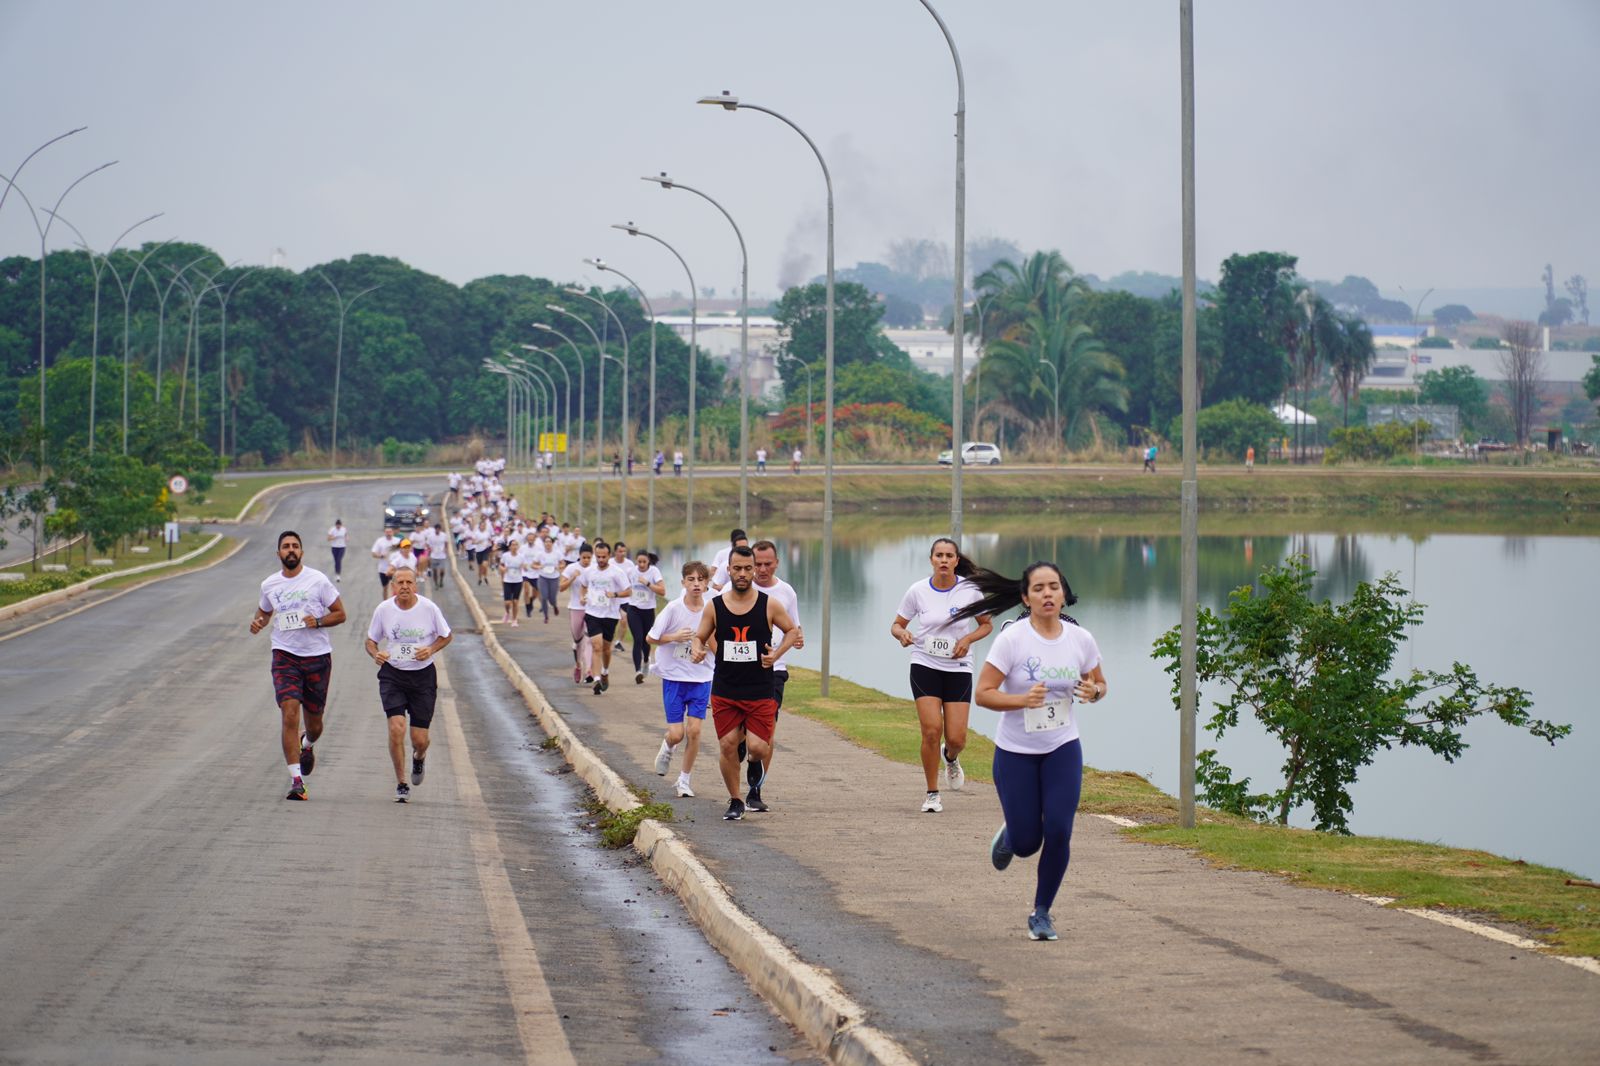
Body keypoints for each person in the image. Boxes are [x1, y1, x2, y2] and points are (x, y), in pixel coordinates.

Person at [957, 561, 1107, 942]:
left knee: (1058, 831)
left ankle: (1042, 913)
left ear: (1063, 593)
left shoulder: (1080, 639)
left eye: (1054, 586)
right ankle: (1012, 835)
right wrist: (1023, 699)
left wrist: (1094, 693)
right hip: (1015, 751)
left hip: (1062, 747)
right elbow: (984, 693)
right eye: (1038, 588)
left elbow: (1099, 682)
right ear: (1026, 597)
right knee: (1027, 843)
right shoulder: (1013, 639)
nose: (1047, 594)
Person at [691, 546, 801, 822]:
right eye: (737, 568)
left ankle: (753, 763)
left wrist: (776, 654)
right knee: (728, 744)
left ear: (754, 570)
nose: (742, 574)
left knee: (759, 748)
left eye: (747, 568)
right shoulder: (715, 605)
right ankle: (736, 800)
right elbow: (700, 636)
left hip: (759, 688)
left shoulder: (769, 604)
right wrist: (697, 648)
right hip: (726, 687)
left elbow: (792, 631)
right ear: (728, 569)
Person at [890, 538, 994, 813]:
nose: (944, 560)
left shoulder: (970, 590)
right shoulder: (918, 591)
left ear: (957, 561)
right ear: (932, 560)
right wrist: (903, 634)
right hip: (924, 663)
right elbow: (897, 625)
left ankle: (951, 757)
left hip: (958, 667)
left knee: (957, 738)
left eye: (949, 555)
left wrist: (968, 639)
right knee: (931, 730)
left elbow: (986, 625)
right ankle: (932, 793)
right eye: (939, 555)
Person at [249, 531, 346, 801]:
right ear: (278, 553)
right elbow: (265, 612)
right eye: (285, 547)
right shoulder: (269, 584)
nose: (290, 550)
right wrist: (258, 622)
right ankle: (296, 781)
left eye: (295, 546)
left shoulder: (318, 580)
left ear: (301, 552)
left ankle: (307, 744)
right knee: (289, 713)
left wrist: (316, 621)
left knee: (314, 725)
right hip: (285, 655)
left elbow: (340, 614)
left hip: (317, 657)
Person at [364, 567, 453, 803]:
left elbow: (446, 635)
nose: (404, 586)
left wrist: (430, 649)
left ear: (415, 585)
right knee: (396, 727)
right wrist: (376, 654)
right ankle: (401, 782)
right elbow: (371, 641)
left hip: (423, 676)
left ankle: (419, 756)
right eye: (399, 582)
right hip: (393, 674)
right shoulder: (384, 610)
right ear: (393, 586)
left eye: (408, 582)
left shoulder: (428, 608)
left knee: (419, 739)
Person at [745, 539, 804, 812]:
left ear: (777, 562)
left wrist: (789, 645)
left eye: (768, 564)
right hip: (740, 670)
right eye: (757, 564)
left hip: (774, 671)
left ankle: (755, 790)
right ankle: (739, 775)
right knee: (739, 737)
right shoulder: (741, 588)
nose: (762, 569)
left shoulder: (786, 592)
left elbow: (794, 628)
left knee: (767, 734)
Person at [647, 560, 714, 798]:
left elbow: (717, 644)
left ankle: (684, 780)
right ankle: (667, 747)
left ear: (707, 583)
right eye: (691, 580)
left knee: (694, 731)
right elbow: (650, 638)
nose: (696, 584)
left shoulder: (712, 609)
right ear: (683, 582)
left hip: (701, 678)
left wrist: (703, 648)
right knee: (677, 734)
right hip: (674, 678)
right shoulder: (674, 608)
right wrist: (675, 637)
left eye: (701, 580)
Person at [577, 539, 631, 693]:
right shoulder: (589, 572)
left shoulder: (617, 572)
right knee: (596, 646)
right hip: (592, 613)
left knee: (606, 649)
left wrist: (614, 594)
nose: (601, 560)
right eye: (598, 557)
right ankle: (596, 679)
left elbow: (628, 591)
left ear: (609, 556)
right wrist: (582, 597)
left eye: (604, 557)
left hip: (610, 615)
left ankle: (605, 672)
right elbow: (583, 585)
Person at [626, 549, 665, 683]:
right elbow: (625, 587)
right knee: (637, 639)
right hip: (633, 608)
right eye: (639, 562)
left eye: (644, 562)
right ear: (636, 561)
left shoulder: (654, 571)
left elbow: (662, 591)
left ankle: (646, 661)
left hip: (648, 610)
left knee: (645, 640)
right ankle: (637, 671)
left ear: (648, 561)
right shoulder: (631, 571)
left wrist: (647, 583)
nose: (641, 564)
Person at [559, 543, 596, 683]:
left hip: (591, 609)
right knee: (577, 641)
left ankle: (589, 671)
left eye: (588, 557)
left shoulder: (595, 569)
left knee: (589, 640)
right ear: (579, 556)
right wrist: (573, 578)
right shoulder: (571, 568)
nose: (586, 560)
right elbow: (561, 588)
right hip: (575, 608)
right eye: (584, 557)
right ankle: (578, 665)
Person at [533, 531, 562, 623]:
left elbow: (563, 563)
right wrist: (538, 567)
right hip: (543, 577)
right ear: (544, 543)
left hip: (554, 578)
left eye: (549, 542)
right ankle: (546, 616)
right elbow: (533, 564)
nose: (548, 543)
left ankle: (554, 606)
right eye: (546, 542)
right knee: (544, 597)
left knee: (552, 598)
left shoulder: (557, 553)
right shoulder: (540, 554)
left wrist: (559, 567)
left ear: (552, 543)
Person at [497, 536, 526, 626]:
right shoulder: (505, 556)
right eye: (512, 545)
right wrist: (503, 569)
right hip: (508, 581)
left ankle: (514, 620)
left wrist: (524, 567)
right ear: (509, 547)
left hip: (518, 580)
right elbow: (500, 565)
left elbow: (524, 566)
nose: (514, 546)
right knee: (507, 602)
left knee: (515, 601)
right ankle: (507, 612)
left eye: (516, 545)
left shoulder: (521, 556)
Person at [709, 528, 749, 594]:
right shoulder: (724, 563)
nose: (743, 550)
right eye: (740, 548)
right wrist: (729, 588)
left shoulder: (754, 562)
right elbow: (714, 584)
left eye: (745, 547)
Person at [371, 526, 400, 594]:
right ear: (384, 532)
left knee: (395, 587)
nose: (388, 533)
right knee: (385, 588)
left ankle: (395, 603)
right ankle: (385, 603)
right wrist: (381, 556)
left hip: (395, 569)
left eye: (390, 532)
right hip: (383, 569)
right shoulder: (380, 541)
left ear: (393, 532)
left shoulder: (397, 541)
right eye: (387, 532)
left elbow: (403, 551)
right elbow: (373, 553)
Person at [423, 522, 448, 590]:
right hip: (434, 555)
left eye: (438, 529)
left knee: (442, 570)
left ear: (440, 529)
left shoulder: (444, 535)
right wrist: (430, 549)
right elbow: (427, 544)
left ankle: (441, 580)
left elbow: (446, 543)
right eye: (436, 529)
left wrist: (445, 549)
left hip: (442, 555)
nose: (437, 531)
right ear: (435, 529)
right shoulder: (431, 536)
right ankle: (436, 584)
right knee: (435, 571)